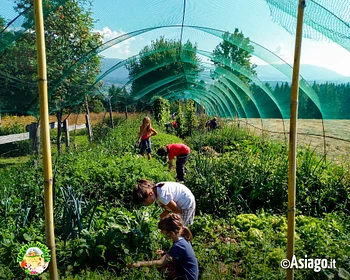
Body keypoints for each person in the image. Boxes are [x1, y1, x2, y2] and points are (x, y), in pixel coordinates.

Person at [132, 213, 199, 280]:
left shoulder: (179, 245)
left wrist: (140, 264)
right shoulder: (182, 239)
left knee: (163, 265)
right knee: (165, 259)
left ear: (172, 233)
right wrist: (165, 252)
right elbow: (178, 255)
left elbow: (160, 263)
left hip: (186, 277)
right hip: (190, 275)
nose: (162, 234)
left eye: (164, 233)